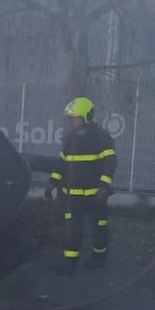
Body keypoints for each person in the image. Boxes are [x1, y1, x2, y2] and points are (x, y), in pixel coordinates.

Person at [49, 96, 116, 273]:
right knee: (72, 228)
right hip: (73, 195)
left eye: (76, 117)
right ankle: (70, 263)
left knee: (99, 226)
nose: (73, 121)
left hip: (95, 195)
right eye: (71, 117)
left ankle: (98, 258)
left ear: (87, 116)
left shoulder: (101, 137)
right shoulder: (71, 137)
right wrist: (53, 182)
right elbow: (63, 162)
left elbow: (110, 162)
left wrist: (104, 186)